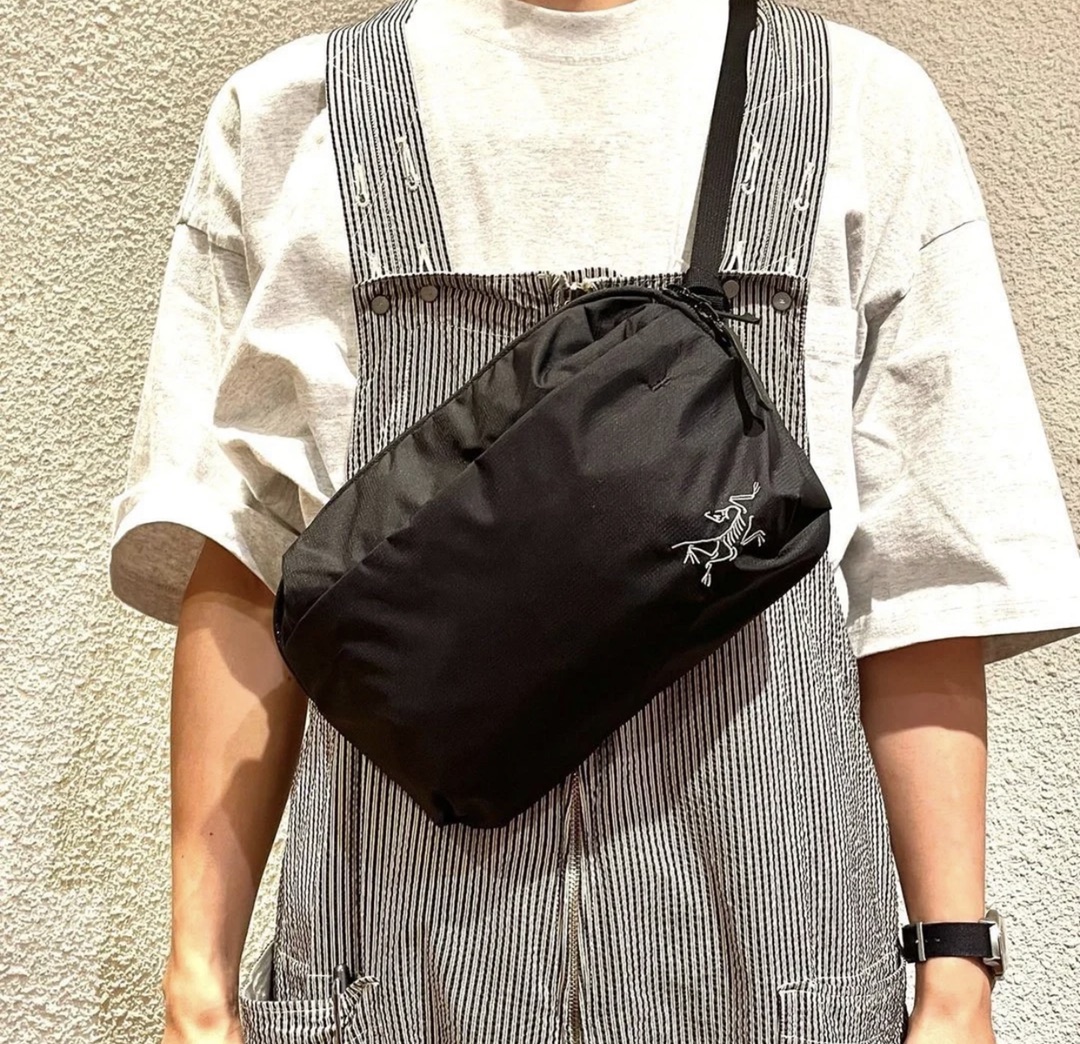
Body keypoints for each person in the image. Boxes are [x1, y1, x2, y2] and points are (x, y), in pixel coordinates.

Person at [107, 0, 1080, 1042]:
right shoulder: (292, 118)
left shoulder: (860, 107)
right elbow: (245, 554)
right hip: (388, 952)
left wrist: (956, 972)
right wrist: (197, 985)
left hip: (775, 946)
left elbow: (918, 584)